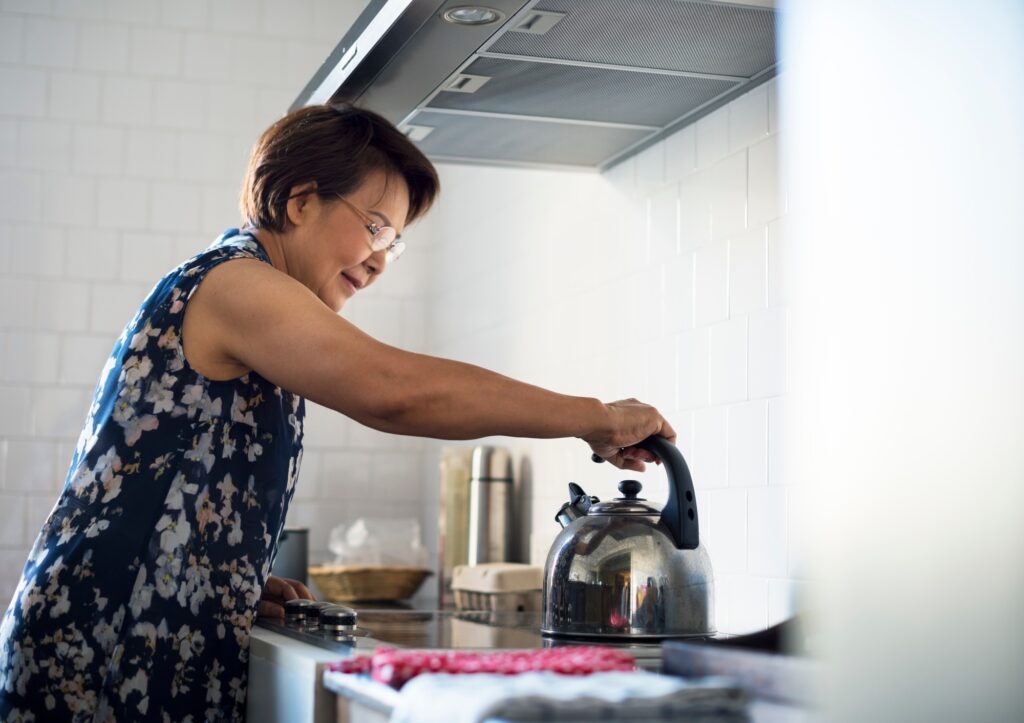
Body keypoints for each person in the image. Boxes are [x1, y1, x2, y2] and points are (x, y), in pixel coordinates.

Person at [0, 103, 675, 721]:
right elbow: (393, 389)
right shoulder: (235, 283)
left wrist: (217, 577)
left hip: (128, 634)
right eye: (377, 227)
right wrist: (595, 415)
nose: (382, 260)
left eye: (396, 241)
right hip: (98, 647)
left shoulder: (247, 298)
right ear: (299, 201)